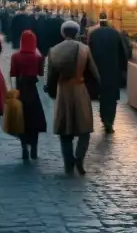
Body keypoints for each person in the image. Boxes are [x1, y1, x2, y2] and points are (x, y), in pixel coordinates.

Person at [47, 20, 99, 176]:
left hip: (63, 91)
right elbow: (94, 73)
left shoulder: (54, 50)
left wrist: (52, 93)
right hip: (80, 89)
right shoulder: (84, 49)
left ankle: (68, 163)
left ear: (62, 33)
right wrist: (94, 90)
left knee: (65, 131)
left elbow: (51, 78)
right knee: (84, 129)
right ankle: (79, 160)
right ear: (77, 33)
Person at [87, 11, 128, 133]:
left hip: (98, 71)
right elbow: (124, 53)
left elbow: (89, 52)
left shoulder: (93, 34)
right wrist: (123, 70)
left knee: (101, 97)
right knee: (111, 99)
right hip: (112, 71)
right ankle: (109, 121)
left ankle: (103, 119)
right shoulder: (116, 33)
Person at [10, 29, 46, 160]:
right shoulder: (38, 57)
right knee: (34, 120)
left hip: (20, 90)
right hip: (33, 91)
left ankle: (24, 146)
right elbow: (41, 75)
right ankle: (34, 148)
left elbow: (13, 74)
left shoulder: (15, 56)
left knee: (21, 120)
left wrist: (13, 91)